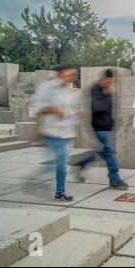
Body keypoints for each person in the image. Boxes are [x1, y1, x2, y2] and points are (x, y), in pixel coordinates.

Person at [34, 65, 81, 202]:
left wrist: (75, 114)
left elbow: (68, 109)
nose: (72, 77)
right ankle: (60, 191)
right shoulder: (48, 87)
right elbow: (38, 107)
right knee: (62, 160)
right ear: (61, 73)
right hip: (51, 131)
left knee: (59, 161)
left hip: (65, 131)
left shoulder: (71, 91)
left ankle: (56, 188)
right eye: (70, 74)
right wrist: (54, 110)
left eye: (74, 75)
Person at [76, 69, 129, 190]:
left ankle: (82, 163)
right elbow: (96, 107)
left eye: (111, 83)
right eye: (109, 82)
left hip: (106, 126)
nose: (110, 85)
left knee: (105, 153)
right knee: (109, 153)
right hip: (99, 127)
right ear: (103, 79)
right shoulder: (94, 89)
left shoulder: (105, 90)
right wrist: (106, 95)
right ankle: (114, 180)